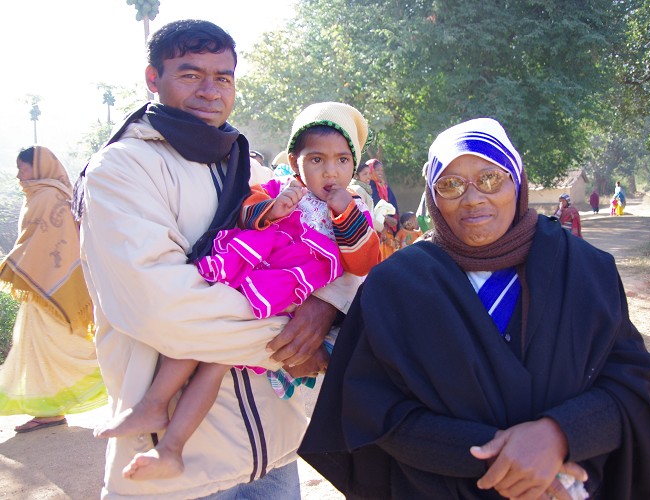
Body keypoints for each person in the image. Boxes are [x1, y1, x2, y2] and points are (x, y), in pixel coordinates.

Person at [299, 118, 650, 499]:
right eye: (451, 185)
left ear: (517, 181)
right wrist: (503, 461)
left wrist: (559, 434)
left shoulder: (584, 270)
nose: (473, 198)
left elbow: (630, 382)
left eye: (490, 178)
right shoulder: (397, 286)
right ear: (434, 196)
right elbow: (373, 411)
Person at [75, 20, 360, 498]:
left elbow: (333, 250)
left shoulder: (250, 168)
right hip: (183, 469)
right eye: (191, 75)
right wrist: (294, 343)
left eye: (223, 77)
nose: (211, 91)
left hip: (276, 451)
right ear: (153, 79)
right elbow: (161, 307)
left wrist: (324, 308)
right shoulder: (121, 172)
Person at [0, 146, 106, 432]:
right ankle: (49, 410)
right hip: (42, 288)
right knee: (40, 348)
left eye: (23, 168)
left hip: (49, 288)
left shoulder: (48, 196)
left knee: (55, 347)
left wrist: (9, 265)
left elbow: (41, 245)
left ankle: (117, 376)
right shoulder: (51, 194)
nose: (20, 174)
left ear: (39, 167)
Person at [367, 158, 400, 259]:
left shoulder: (385, 186)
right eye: (377, 170)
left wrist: (394, 219)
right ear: (370, 171)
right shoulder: (368, 187)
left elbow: (393, 205)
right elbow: (369, 208)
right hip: (375, 229)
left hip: (388, 230)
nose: (380, 173)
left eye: (382, 170)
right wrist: (385, 218)